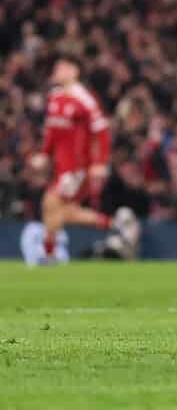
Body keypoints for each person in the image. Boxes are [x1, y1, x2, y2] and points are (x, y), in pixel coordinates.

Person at [32, 58, 138, 263]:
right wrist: (45, 154)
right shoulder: (54, 97)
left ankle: (49, 255)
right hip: (60, 166)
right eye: (57, 67)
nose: (57, 71)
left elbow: (102, 131)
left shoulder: (84, 99)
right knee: (63, 211)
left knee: (50, 202)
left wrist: (100, 163)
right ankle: (117, 226)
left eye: (62, 67)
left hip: (77, 167)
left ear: (74, 71)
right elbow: (52, 132)